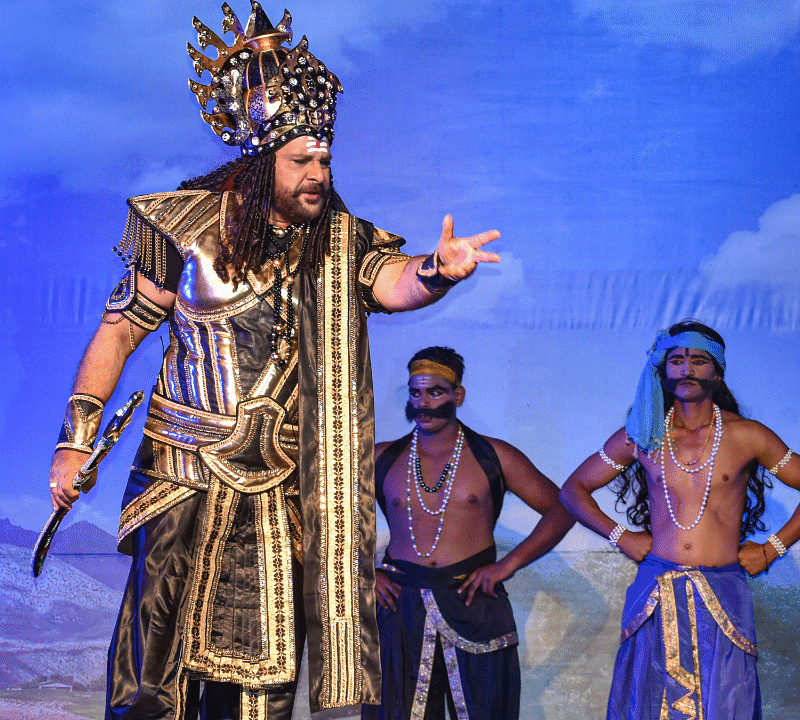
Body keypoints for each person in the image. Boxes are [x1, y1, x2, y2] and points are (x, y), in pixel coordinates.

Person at [46, 5, 501, 718]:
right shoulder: (182, 226)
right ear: (262, 162)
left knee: (261, 680)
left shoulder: (337, 241)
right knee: (150, 674)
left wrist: (438, 271)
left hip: (278, 489)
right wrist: (75, 442)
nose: (319, 172)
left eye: (325, 158)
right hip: (182, 476)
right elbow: (117, 334)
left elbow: (393, 281)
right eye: (302, 160)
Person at [559, 320, 800, 720]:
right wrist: (621, 536)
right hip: (656, 590)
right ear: (663, 370)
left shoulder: (748, 435)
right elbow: (573, 490)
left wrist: (773, 548)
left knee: (726, 703)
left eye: (698, 360)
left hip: (722, 593)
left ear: (717, 372)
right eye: (676, 360)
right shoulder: (642, 434)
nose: (686, 368)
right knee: (649, 703)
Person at [364, 347, 574, 720]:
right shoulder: (381, 458)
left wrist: (506, 566)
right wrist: (361, 569)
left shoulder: (495, 455)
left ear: (458, 395)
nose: (424, 403)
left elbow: (562, 508)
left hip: (474, 600)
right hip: (399, 604)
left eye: (436, 392)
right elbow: (325, 516)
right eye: (416, 392)